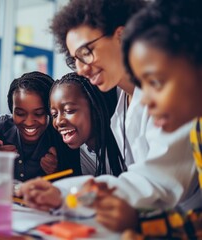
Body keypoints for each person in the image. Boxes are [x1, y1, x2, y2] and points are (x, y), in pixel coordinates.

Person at [16, 0, 198, 216]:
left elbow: (158, 183)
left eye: (86, 52)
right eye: (75, 60)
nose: (81, 69)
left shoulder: (176, 100)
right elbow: (134, 181)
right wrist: (64, 194)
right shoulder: (121, 105)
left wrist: (67, 195)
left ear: (121, 36)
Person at [89, 0, 202, 236]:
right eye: (142, 84)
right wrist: (143, 227)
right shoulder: (197, 131)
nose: (146, 101)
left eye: (156, 82)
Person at [0, 71, 80, 190]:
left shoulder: (62, 135)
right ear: (11, 110)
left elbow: (76, 190)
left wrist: (57, 172)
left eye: (39, 114)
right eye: (20, 113)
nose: (29, 122)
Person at [50, 72, 124, 177]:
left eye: (69, 110)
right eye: (54, 114)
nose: (58, 121)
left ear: (95, 110)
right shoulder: (82, 151)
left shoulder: (122, 144)